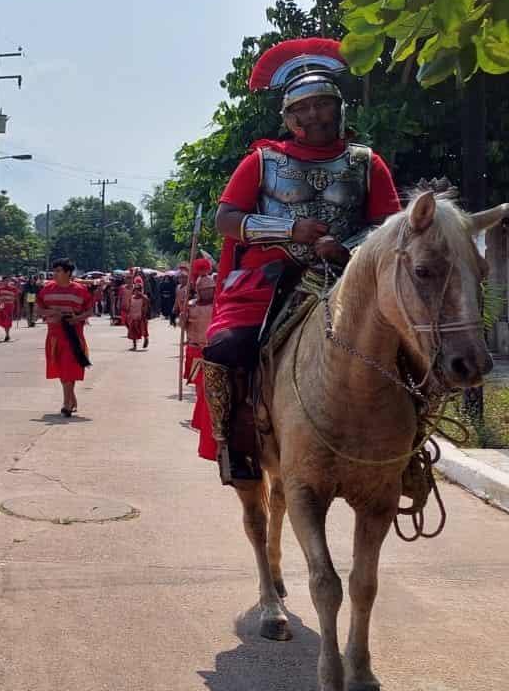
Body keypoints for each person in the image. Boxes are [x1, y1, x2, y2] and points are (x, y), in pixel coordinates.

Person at [198, 38, 402, 485]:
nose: (312, 116)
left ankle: (407, 454)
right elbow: (227, 220)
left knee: (412, 349)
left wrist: (346, 247)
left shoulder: (367, 163)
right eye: (301, 109)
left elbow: (388, 225)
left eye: (321, 105)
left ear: (339, 108)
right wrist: (290, 231)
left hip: (348, 276)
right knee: (224, 349)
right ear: (287, 117)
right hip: (270, 279)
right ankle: (238, 443)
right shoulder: (262, 161)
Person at [38, 258, 93, 416]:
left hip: (73, 336)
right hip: (54, 336)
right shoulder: (47, 290)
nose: (55, 274)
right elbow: (39, 310)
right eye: (54, 271)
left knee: (70, 367)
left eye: (58, 271)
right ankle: (71, 396)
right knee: (62, 370)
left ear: (68, 273)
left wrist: (76, 319)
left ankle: (66, 403)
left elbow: (89, 311)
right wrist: (53, 313)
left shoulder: (80, 290)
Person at [181, 259, 216, 385]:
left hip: (212, 350)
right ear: (198, 291)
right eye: (204, 290)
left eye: (210, 289)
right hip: (195, 349)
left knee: (210, 384)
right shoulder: (190, 306)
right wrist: (182, 319)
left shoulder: (217, 306)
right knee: (198, 383)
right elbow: (184, 327)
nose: (208, 292)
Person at [122, 278, 150, 350]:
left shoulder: (144, 298)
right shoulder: (132, 298)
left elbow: (147, 303)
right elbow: (129, 306)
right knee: (133, 331)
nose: (137, 291)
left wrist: (142, 295)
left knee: (144, 330)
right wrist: (128, 314)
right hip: (133, 316)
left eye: (139, 290)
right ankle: (134, 345)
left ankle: (146, 339)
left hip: (141, 316)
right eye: (136, 290)